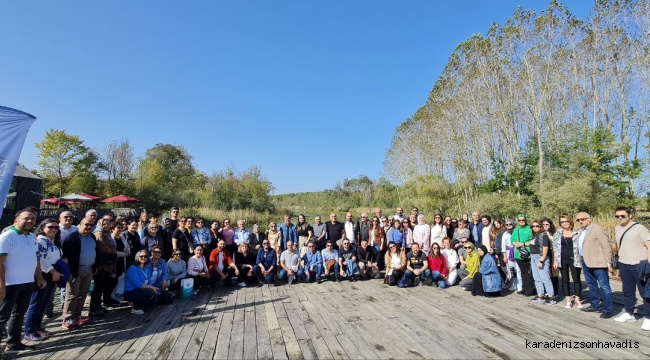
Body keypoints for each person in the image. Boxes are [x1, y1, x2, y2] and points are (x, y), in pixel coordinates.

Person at [612, 206, 650, 328]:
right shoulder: (617, 228)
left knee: (645, 292)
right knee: (628, 291)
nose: (620, 218)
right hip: (624, 264)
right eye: (617, 216)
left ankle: (648, 317)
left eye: (622, 216)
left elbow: (649, 245)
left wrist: (648, 263)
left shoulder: (640, 228)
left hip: (639, 264)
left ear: (630, 215)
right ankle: (629, 313)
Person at [23, 218, 60, 343]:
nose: (53, 229)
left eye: (56, 227)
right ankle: (29, 331)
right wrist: (53, 271)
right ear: (43, 227)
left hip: (51, 275)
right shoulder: (40, 240)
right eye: (50, 227)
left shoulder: (51, 240)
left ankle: (37, 328)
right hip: (43, 275)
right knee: (35, 304)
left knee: (43, 303)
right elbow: (41, 259)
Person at [61, 217, 96, 330]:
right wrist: (69, 271)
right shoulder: (72, 238)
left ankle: (77, 316)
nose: (89, 227)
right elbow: (65, 256)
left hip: (89, 269)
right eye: (86, 224)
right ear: (80, 224)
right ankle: (67, 319)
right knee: (72, 294)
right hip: (75, 271)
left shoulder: (92, 236)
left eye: (91, 225)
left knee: (83, 294)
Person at [576, 212, 614, 319]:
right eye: (578, 220)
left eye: (582, 219)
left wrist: (609, 263)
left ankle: (608, 309)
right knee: (592, 284)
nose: (580, 221)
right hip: (586, 261)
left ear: (589, 219)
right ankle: (595, 304)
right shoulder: (581, 231)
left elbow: (607, 247)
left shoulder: (598, 229)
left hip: (598, 262)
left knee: (605, 287)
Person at [89, 216, 119, 317]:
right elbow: (102, 248)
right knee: (98, 287)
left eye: (108, 223)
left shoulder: (106, 234)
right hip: (102, 264)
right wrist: (114, 251)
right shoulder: (99, 234)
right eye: (104, 223)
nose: (107, 225)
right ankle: (93, 308)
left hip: (108, 264)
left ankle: (98, 306)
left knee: (103, 286)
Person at [552, 215, 582, 309]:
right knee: (565, 280)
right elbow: (556, 249)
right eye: (562, 222)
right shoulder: (558, 234)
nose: (564, 223)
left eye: (566, 221)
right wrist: (555, 261)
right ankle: (568, 300)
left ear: (570, 221)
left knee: (576, 279)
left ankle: (577, 299)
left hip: (575, 259)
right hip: (562, 259)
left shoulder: (577, 233)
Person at [123, 250, 158, 315]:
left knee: (155, 300)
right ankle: (135, 308)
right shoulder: (133, 268)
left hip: (142, 290)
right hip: (130, 292)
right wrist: (152, 288)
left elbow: (149, 281)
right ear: (137, 257)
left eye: (145, 256)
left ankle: (139, 303)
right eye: (141, 256)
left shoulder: (146, 268)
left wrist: (154, 288)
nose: (143, 258)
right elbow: (138, 284)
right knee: (150, 292)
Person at [529, 220, 555, 305]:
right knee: (537, 278)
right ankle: (540, 295)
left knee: (545, 278)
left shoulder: (544, 235)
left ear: (540, 226)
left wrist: (541, 260)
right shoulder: (533, 235)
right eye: (533, 226)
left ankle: (551, 297)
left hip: (541, 257)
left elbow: (545, 249)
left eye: (537, 226)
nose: (535, 228)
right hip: (533, 256)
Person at [511, 214, 535, 296]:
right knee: (522, 272)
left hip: (527, 252)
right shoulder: (516, 230)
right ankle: (524, 288)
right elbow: (512, 240)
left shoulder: (530, 229)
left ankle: (530, 290)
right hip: (518, 253)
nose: (521, 221)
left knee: (529, 272)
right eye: (520, 220)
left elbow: (532, 241)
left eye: (523, 220)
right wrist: (516, 244)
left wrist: (523, 244)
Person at [501, 220, 519, 291]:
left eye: (510, 224)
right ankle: (513, 284)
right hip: (509, 252)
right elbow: (503, 246)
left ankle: (520, 284)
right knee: (511, 269)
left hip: (517, 251)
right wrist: (504, 256)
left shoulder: (517, 232)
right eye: (507, 224)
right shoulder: (505, 234)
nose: (508, 225)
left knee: (518, 269)